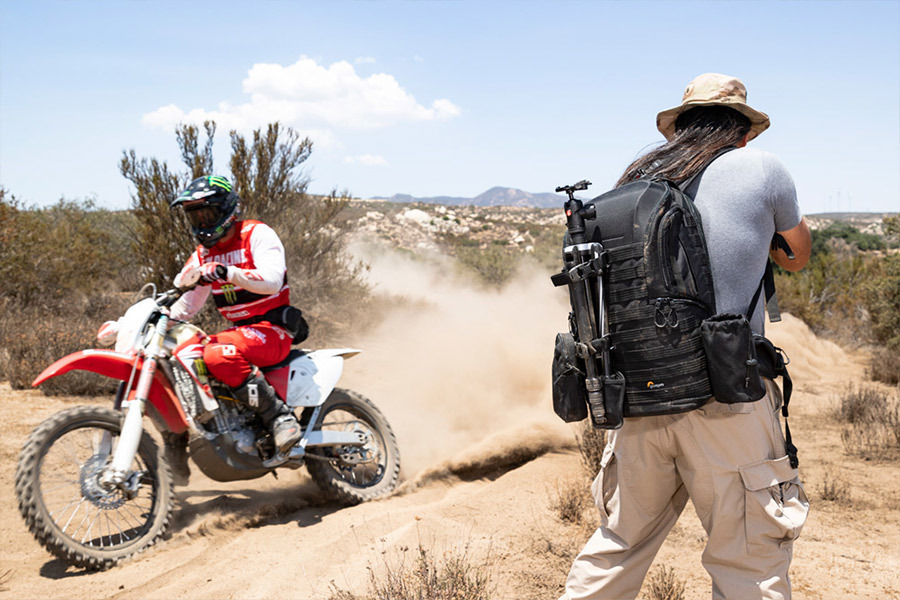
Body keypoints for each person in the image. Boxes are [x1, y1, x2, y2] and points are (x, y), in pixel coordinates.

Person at [560, 73, 812, 600]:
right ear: (743, 130)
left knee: (617, 547)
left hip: (638, 398)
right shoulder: (762, 168)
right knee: (749, 562)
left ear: (677, 130)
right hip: (729, 398)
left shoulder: (630, 186)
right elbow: (797, 254)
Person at [163, 175, 303, 485]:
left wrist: (228, 272)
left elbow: (272, 280)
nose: (201, 222)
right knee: (177, 357)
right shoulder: (203, 253)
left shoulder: (256, 234)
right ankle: (177, 442)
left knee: (217, 353)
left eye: (207, 213)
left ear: (226, 209)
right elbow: (185, 306)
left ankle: (280, 417)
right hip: (241, 334)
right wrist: (150, 319)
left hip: (272, 329)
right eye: (194, 216)